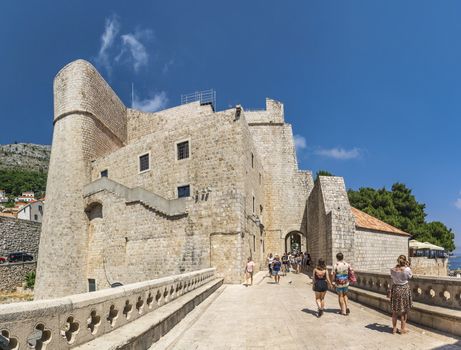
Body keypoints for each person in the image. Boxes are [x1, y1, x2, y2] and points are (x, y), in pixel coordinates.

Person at [389, 255, 413, 334]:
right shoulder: (407, 269)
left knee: (395, 311)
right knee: (404, 311)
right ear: (405, 261)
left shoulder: (392, 270)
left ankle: (394, 328)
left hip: (395, 289)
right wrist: (408, 266)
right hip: (404, 289)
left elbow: (392, 277)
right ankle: (402, 329)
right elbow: (410, 276)